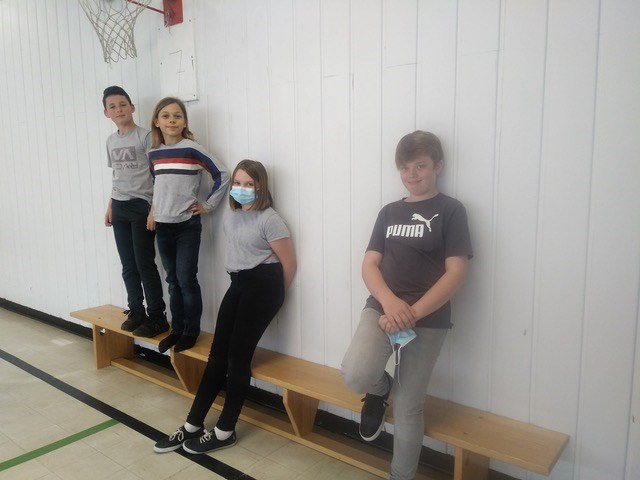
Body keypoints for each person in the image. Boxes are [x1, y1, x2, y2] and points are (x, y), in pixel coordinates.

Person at [341, 131, 473, 480]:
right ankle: (379, 389)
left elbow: (457, 272)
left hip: (427, 318)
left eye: (420, 166)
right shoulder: (389, 212)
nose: (412, 175)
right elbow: (369, 264)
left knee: (409, 405)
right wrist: (390, 304)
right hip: (382, 309)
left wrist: (411, 314)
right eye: (404, 168)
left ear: (438, 166)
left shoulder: (451, 210)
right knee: (355, 374)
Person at [153, 159, 297, 454]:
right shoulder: (232, 215)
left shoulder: (271, 219)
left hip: (264, 285)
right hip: (239, 282)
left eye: (249, 184)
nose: (242, 188)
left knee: (237, 358)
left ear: (260, 186)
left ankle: (225, 430)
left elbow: (289, 264)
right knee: (217, 355)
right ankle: (192, 424)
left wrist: (273, 299)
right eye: (238, 183)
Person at [146, 97, 230, 352]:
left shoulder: (193, 149)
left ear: (184, 122)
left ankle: (191, 331)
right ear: (156, 122)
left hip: (187, 226)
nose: (172, 120)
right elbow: (157, 186)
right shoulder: (154, 153)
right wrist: (153, 212)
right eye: (166, 116)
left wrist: (208, 205)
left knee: (186, 279)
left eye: (177, 116)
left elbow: (222, 175)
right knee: (172, 280)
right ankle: (177, 329)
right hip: (162, 225)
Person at [102, 86, 168, 337]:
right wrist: (110, 205)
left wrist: (154, 209)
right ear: (106, 113)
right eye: (112, 106)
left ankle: (157, 317)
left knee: (144, 263)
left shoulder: (146, 137)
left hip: (142, 206)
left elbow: (159, 175)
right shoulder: (111, 141)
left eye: (122, 104)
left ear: (132, 107)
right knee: (128, 264)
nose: (118, 109)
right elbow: (117, 175)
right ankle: (136, 311)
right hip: (119, 206)